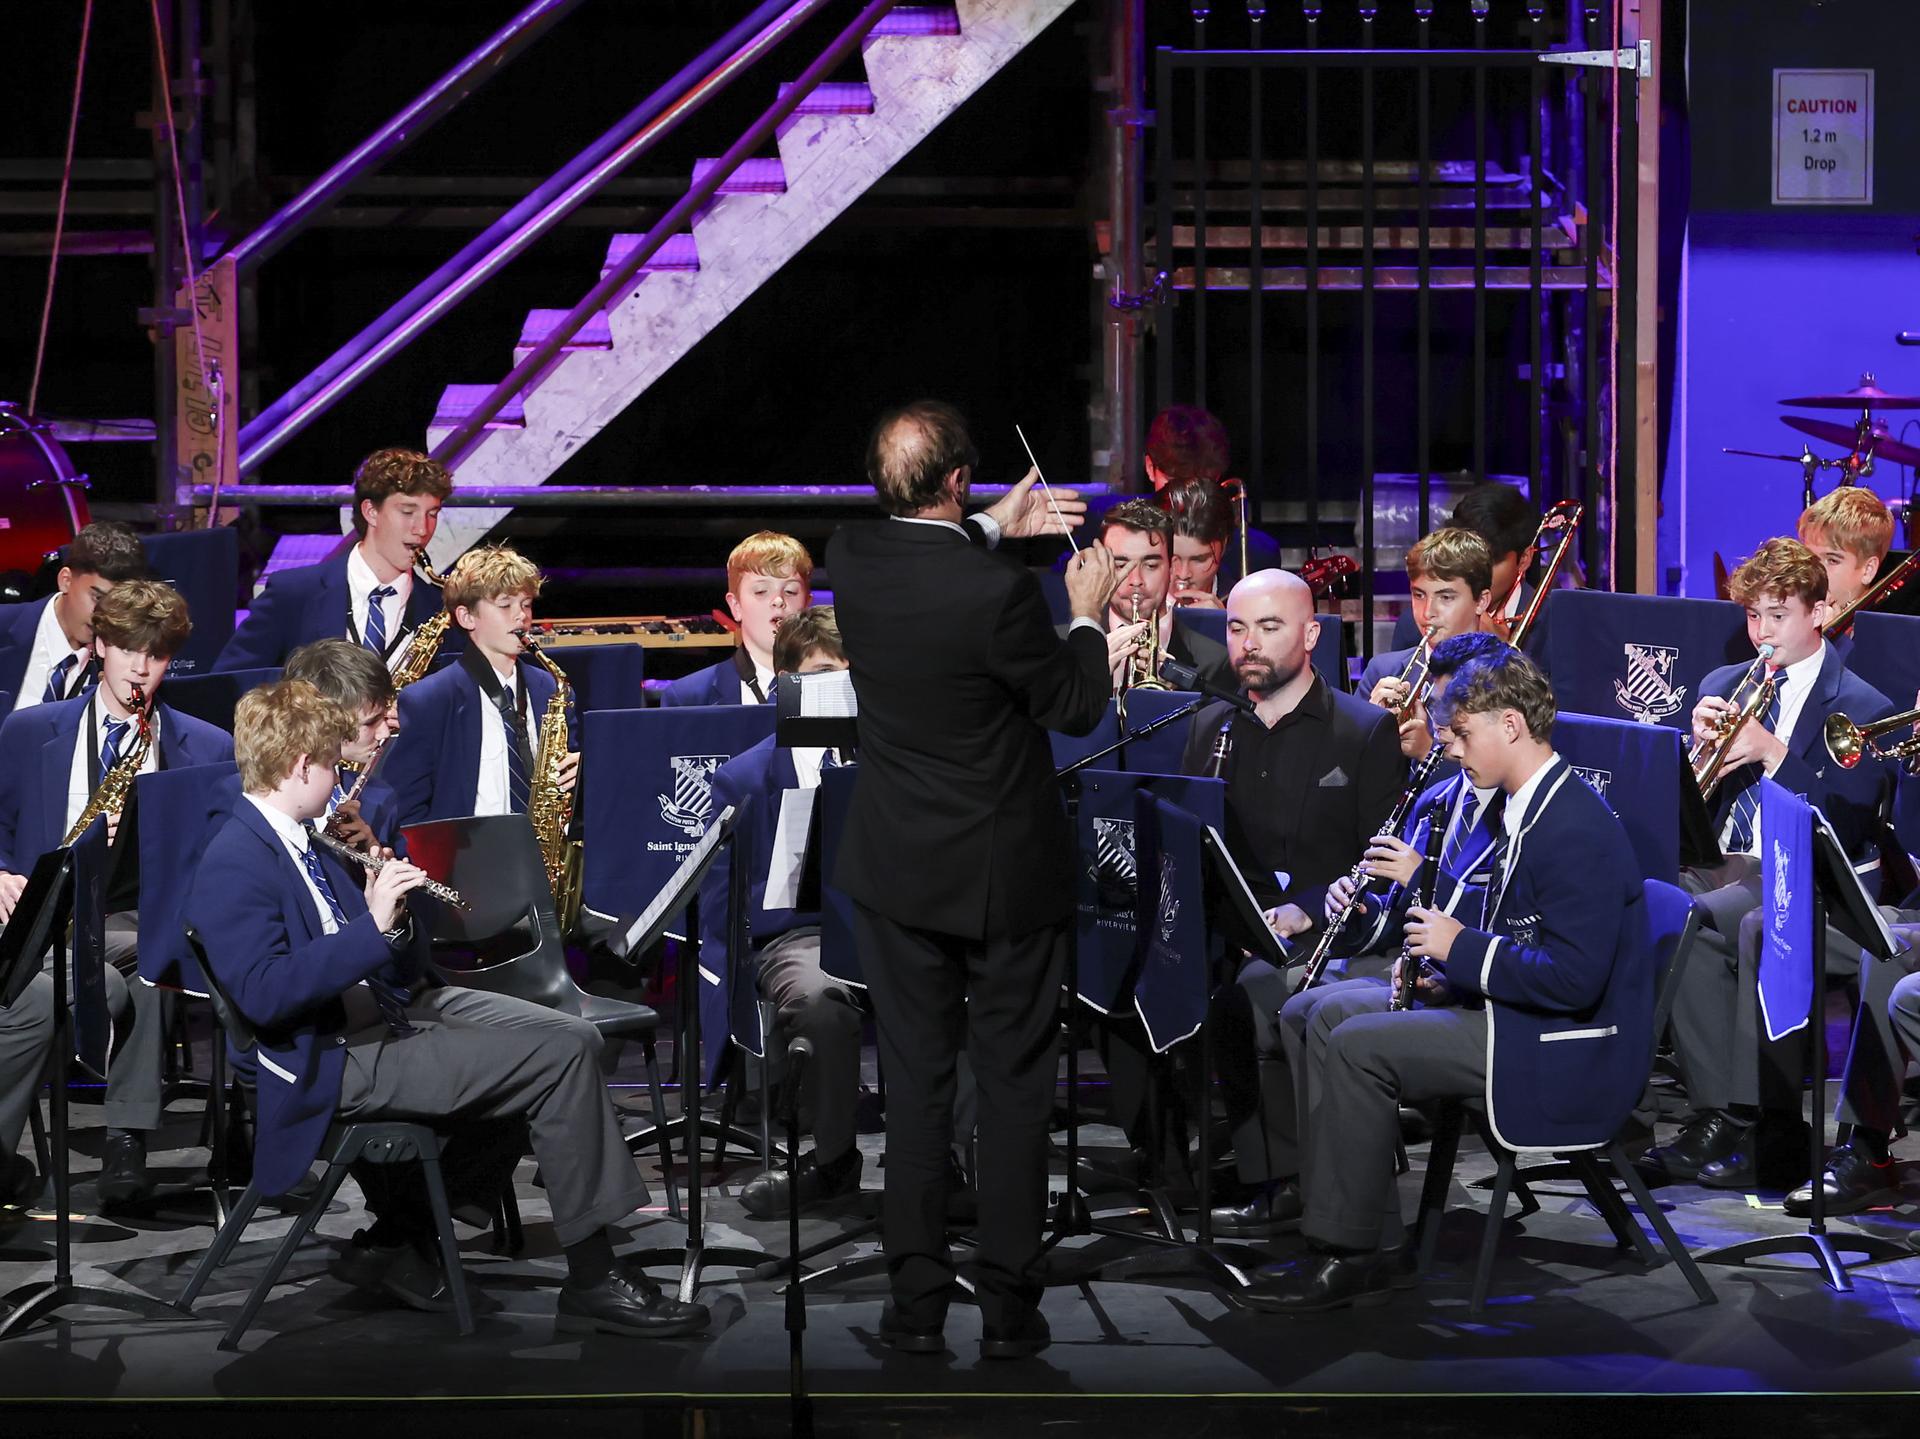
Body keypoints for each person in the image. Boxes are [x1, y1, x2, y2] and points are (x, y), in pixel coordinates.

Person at [185, 679, 706, 1336]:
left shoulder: (302, 840)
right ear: (300, 765)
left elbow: (376, 956)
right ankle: (594, 1277)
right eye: (332, 766)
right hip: (327, 1058)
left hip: (379, 1018)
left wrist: (392, 916)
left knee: (566, 1038)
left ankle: (404, 1236)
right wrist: (372, 929)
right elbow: (265, 993)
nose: (339, 779)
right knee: (556, 1058)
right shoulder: (236, 857)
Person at [829, 398, 1113, 1360]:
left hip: (897, 871)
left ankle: (914, 1308)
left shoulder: (851, 558)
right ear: (957, 479)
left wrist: (997, 522)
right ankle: (1008, 1309)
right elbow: (1074, 706)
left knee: (914, 1087)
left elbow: (931, 550)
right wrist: (1085, 611)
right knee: (1013, 1087)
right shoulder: (1001, 596)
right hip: (1002, 879)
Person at [1246, 649, 1645, 1313]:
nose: (1451, 749)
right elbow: (1519, 934)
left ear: (1511, 725)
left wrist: (1459, 949)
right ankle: (1356, 1229)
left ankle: (1348, 1251)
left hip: (1555, 1044)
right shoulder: (1527, 805)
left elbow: (1574, 980)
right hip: (1513, 1013)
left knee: (1358, 1045)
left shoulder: (1572, 824)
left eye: (1462, 733)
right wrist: (1448, 974)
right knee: (1317, 1013)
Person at [1640, 538, 1897, 1189]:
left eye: (1777, 615)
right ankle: (1716, 1112)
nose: (1761, 633)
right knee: (1654, 900)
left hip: (1805, 874)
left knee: (1700, 918)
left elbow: (1848, 827)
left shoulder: (1861, 707)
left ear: (1820, 613)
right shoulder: (1722, 685)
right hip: (1721, 861)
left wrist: (1775, 754)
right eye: (1753, 615)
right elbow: (1689, 807)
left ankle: (1745, 1119)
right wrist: (1691, 752)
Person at [1167, 569, 1403, 1233]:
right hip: (1231, 924)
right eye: (1237, 628)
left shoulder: (1362, 730)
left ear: (1310, 634)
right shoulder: (1211, 725)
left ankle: (1284, 1180)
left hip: (1329, 930)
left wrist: (1305, 910)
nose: (1249, 643)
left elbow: (1381, 862)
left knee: (1251, 993)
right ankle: (1177, 1167)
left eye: (1269, 627)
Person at [0, 579, 233, 1209]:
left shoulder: (206, 747)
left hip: (129, 919)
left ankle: (126, 1139)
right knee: (106, 978)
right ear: (101, 645)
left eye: (155, 655)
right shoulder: (29, 730)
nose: (140, 668)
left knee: (153, 963)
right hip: (34, 914)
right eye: (129, 649)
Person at [696, 607, 867, 1219]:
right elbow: (722, 905)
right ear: (787, 683)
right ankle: (835, 1160)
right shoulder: (744, 777)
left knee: (958, 984)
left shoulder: (892, 760)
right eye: (821, 675)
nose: (837, 689)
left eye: (848, 675)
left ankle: (945, 1157)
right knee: (821, 1001)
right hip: (797, 936)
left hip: (886, 926)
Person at [382, 547, 578, 829]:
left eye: (525, 604)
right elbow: (406, 811)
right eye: (505, 605)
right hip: (464, 854)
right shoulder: (428, 699)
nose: (521, 616)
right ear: (466, 617)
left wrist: (581, 772)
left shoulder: (551, 688)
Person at [214, 448, 454, 672]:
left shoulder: (443, 609)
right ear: (370, 512)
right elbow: (228, 684)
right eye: (408, 512)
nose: (422, 529)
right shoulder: (292, 594)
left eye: (432, 514)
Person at [1360, 528, 1497, 763]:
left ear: (1481, 601)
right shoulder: (1381, 670)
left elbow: (1503, 778)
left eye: (1446, 597)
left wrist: (1427, 751)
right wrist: (1368, 728)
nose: (1427, 612)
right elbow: (1346, 770)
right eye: (1419, 595)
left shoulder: (1506, 679)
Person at [0, 521, 148, 712]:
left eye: (119, 604)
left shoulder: (122, 667)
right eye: (98, 598)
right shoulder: (4, 626)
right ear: (66, 580)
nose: (105, 615)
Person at [1095, 498, 1234, 699]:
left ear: (1171, 567)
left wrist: (1173, 697)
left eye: (1151, 565)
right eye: (1120, 566)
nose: (1136, 580)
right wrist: (1089, 680)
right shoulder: (1065, 649)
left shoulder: (1216, 661)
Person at [659, 531, 813, 706]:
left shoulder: (835, 687)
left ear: (807, 605)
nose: (778, 600)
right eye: (761, 591)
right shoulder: (686, 698)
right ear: (736, 606)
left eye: (791, 591)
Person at [282, 639, 404, 851]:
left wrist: (372, 853)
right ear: (323, 722)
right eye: (371, 722)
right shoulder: (259, 799)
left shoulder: (382, 798)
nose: (385, 733)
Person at [1797, 484, 1894, 618]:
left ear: (1868, 570)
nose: (1814, 573)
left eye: (1832, 560)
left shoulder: (1888, 629)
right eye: (1809, 558)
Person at [1160, 477, 1234, 609]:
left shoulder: (1243, 605)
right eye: (1171, 557)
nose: (1183, 574)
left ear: (1223, 546)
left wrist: (1224, 620)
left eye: (1199, 560)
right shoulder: (1126, 602)